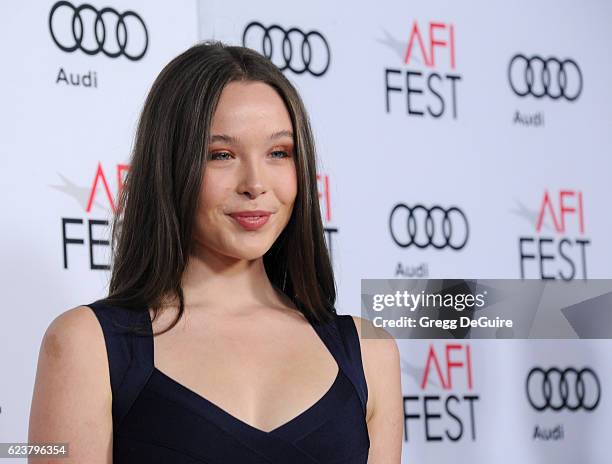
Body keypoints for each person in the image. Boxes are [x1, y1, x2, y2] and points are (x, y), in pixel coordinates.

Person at [28, 41, 403, 463]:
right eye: (221, 155)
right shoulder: (86, 344)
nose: (255, 183)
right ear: (171, 166)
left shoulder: (371, 354)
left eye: (279, 153)